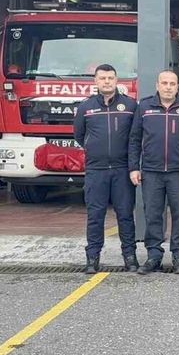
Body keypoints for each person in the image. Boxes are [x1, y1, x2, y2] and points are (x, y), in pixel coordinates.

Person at [128, 69, 179, 275]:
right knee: (152, 214)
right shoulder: (144, 107)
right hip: (151, 171)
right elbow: (134, 139)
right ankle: (153, 255)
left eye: (172, 83)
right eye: (164, 83)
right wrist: (134, 167)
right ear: (157, 85)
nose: (168, 87)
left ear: (178, 86)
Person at [74, 64, 138, 274]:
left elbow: (135, 137)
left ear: (116, 80)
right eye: (102, 78)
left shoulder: (130, 105)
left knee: (125, 215)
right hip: (96, 170)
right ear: (96, 81)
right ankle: (92, 258)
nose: (107, 82)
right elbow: (79, 135)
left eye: (110, 78)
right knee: (95, 216)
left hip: (122, 170)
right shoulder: (85, 107)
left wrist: (133, 166)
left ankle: (130, 256)